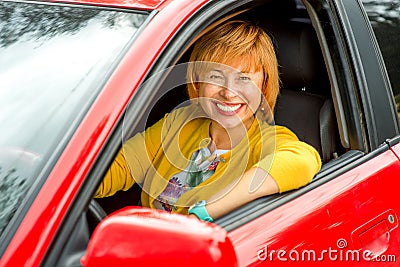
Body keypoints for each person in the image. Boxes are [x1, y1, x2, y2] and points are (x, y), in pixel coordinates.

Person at [95, 20, 321, 222]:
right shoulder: (181, 121)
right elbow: (121, 166)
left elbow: (302, 161)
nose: (229, 93)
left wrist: (204, 212)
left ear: (263, 85)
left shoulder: (267, 140)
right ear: (197, 81)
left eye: (243, 79)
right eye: (215, 76)